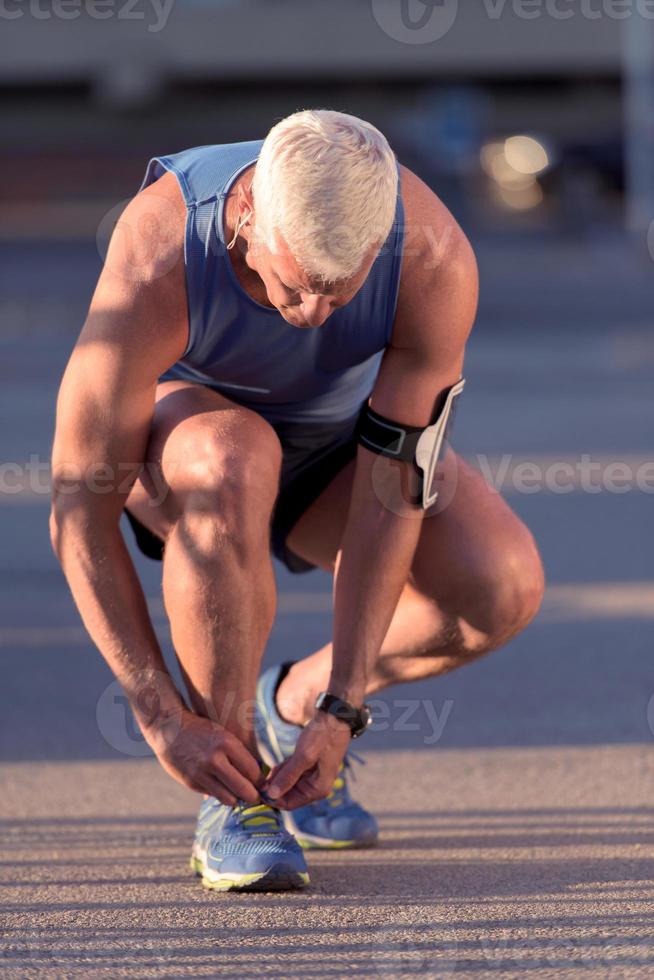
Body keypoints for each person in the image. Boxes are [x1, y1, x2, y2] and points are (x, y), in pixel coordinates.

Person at [50, 110, 544, 892]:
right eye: (291, 283)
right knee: (235, 455)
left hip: (333, 456)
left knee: (500, 584)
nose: (312, 315)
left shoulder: (434, 257)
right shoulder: (159, 251)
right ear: (247, 217)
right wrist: (161, 716)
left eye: (338, 293)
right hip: (190, 456)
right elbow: (80, 513)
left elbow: (393, 490)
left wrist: (340, 707)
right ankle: (237, 794)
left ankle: (288, 707)